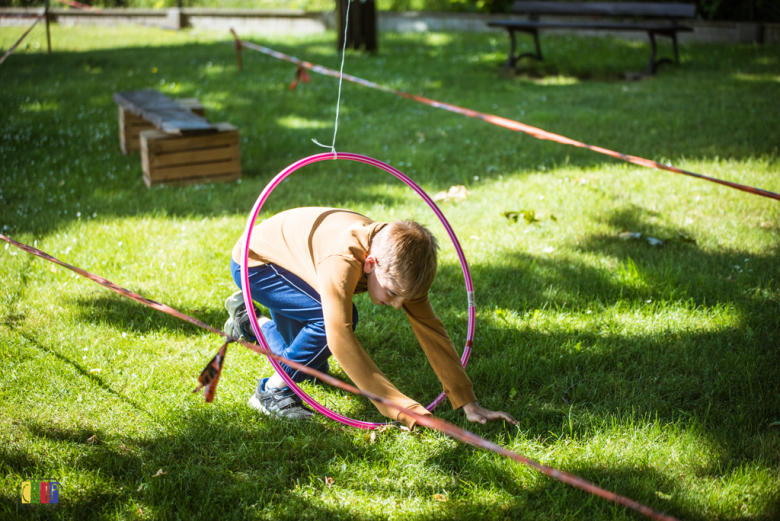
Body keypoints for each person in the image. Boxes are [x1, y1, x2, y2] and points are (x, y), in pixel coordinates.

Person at [225, 207, 516, 428]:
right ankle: (271, 392)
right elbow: (338, 336)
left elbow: (431, 329)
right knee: (328, 326)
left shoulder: (398, 267)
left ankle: (250, 322)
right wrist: (405, 410)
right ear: (370, 264)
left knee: (313, 366)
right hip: (257, 263)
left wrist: (467, 400)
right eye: (392, 294)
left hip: (297, 261)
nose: (396, 305)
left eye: (405, 299)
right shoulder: (342, 260)